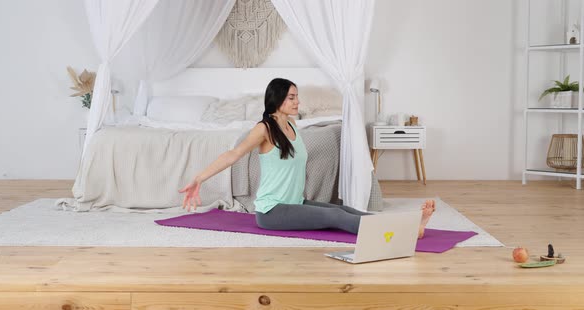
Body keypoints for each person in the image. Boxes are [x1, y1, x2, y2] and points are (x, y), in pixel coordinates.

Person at [178, 78, 435, 238]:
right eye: (291, 97)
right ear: (276, 99)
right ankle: (406, 233)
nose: (297, 101)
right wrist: (199, 178)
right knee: (334, 219)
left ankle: (407, 226)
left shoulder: (293, 127)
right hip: (271, 212)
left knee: (342, 209)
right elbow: (234, 154)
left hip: (294, 202)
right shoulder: (264, 128)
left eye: (297, 96)